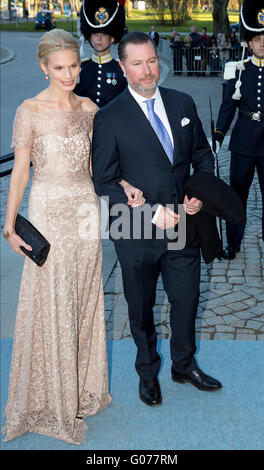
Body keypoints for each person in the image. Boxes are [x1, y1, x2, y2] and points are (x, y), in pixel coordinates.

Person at [92, 31, 222, 408]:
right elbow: (103, 179)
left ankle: (184, 364)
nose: (147, 71)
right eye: (137, 63)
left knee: (186, 298)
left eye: (151, 60)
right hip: (134, 228)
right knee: (141, 305)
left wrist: (198, 193)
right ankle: (147, 372)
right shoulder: (109, 118)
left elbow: (202, 154)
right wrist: (149, 211)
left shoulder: (182, 102)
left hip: (182, 222)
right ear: (122, 67)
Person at [2, 29, 112, 444]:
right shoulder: (28, 110)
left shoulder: (90, 108)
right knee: (51, 299)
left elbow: (103, 165)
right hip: (48, 212)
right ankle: (51, 397)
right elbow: (20, 174)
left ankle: (81, 389)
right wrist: (9, 225)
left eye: (74, 66)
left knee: (83, 298)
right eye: (60, 67)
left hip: (85, 212)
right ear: (44, 66)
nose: (69, 74)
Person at [213, 0, 264, 260]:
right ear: (249, 42)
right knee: (237, 197)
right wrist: (218, 136)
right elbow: (227, 108)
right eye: (257, 39)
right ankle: (233, 243)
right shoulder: (238, 70)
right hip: (243, 143)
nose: (262, 43)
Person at [74, 0, 127, 107]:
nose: (98, 38)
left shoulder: (122, 69)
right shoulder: (80, 68)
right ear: (89, 36)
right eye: (94, 33)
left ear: (112, 38)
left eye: (104, 33)